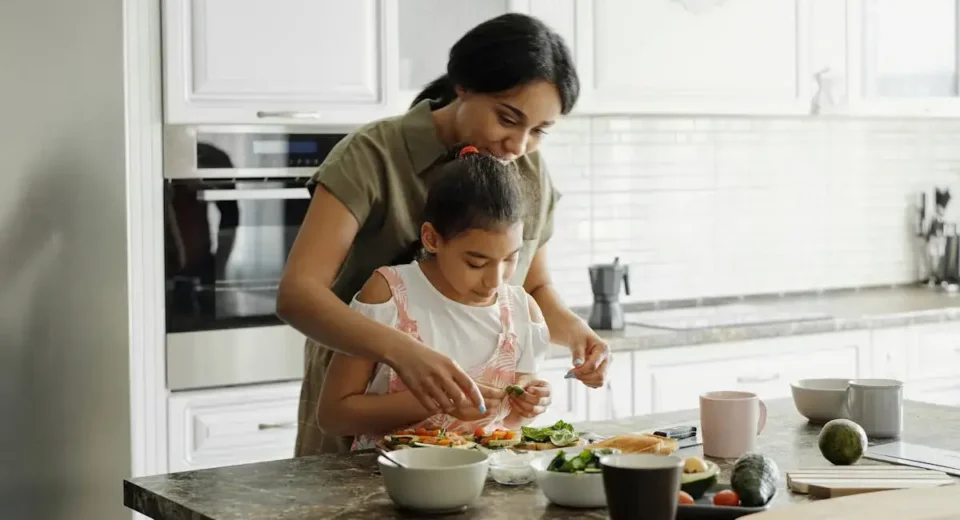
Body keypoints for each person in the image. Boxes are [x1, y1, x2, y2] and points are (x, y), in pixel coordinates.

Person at [277, 12, 612, 456]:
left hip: (472, 440)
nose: (519, 145)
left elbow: (532, 286)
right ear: (464, 86)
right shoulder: (372, 154)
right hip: (361, 408)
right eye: (507, 118)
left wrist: (577, 335)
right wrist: (405, 353)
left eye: (538, 131)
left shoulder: (527, 169)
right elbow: (298, 295)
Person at [316, 145, 552, 447]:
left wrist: (528, 404)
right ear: (432, 239)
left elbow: (510, 425)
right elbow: (334, 416)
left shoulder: (522, 312)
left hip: (483, 484)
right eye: (476, 263)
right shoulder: (389, 295)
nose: (495, 279)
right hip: (386, 482)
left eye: (510, 258)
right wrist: (437, 401)